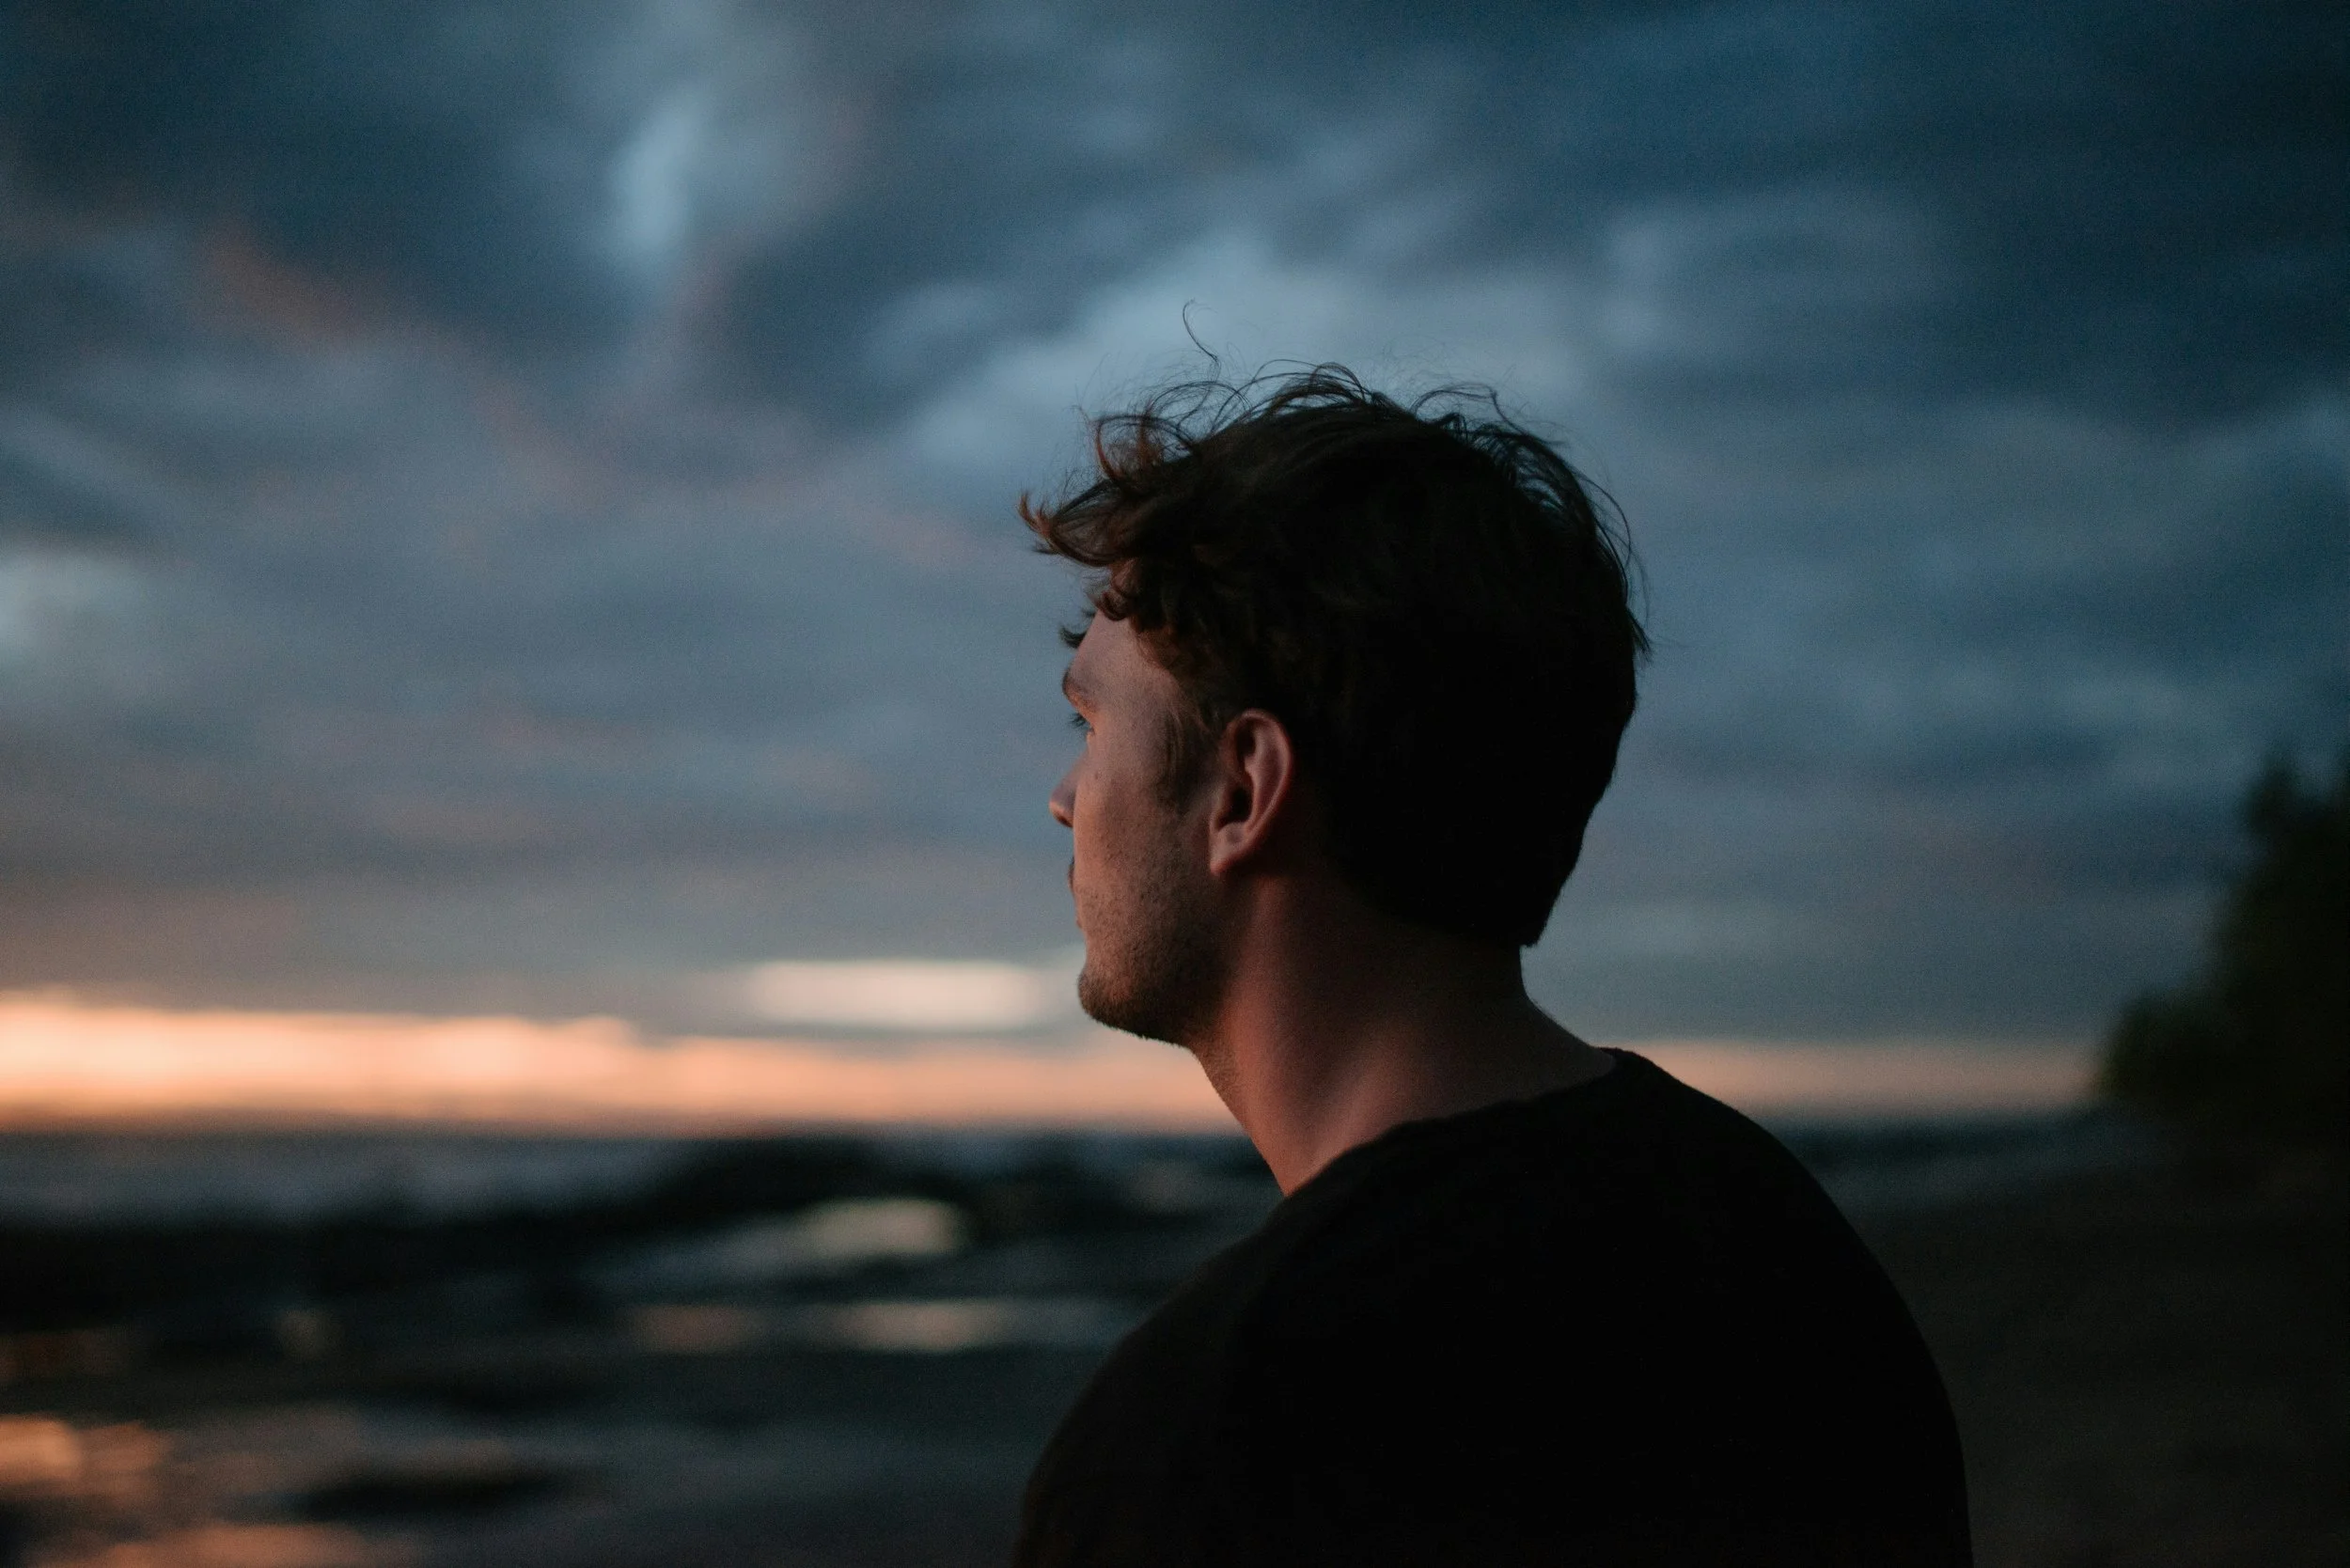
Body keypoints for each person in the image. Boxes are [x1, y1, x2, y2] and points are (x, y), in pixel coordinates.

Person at [1012, 368, 1970, 1567]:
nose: (1062, 800)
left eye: (1090, 725)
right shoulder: (1783, 1255)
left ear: (1244, 790)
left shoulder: (1224, 1431)